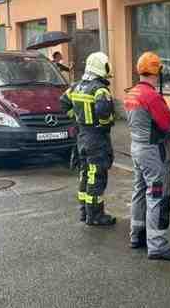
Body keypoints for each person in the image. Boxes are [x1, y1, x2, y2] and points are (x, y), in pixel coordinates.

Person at [124, 52, 170, 261]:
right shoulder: (151, 96)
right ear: (156, 71)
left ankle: (137, 235)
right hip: (153, 153)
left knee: (140, 191)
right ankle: (157, 245)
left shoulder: (132, 93)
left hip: (137, 149)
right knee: (157, 195)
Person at [60, 52, 116, 226]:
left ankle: (84, 211)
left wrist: (76, 117)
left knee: (85, 173)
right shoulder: (100, 89)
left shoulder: (76, 86)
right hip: (96, 139)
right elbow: (103, 112)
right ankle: (95, 215)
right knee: (96, 176)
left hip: (82, 136)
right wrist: (104, 124)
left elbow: (63, 102)